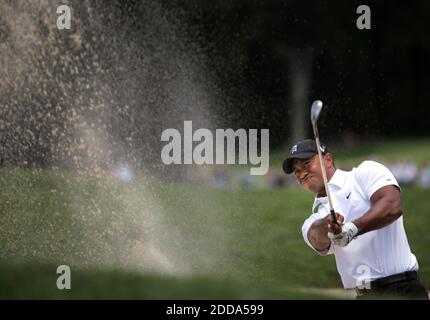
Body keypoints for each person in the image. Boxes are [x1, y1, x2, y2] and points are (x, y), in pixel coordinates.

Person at [282, 139, 428, 299]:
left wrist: (352, 228)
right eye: (296, 171)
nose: (301, 174)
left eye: (307, 164)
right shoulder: (314, 219)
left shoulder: (364, 173)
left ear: (328, 160)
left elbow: (392, 206)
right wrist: (328, 227)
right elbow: (316, 237)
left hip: (404, 289)